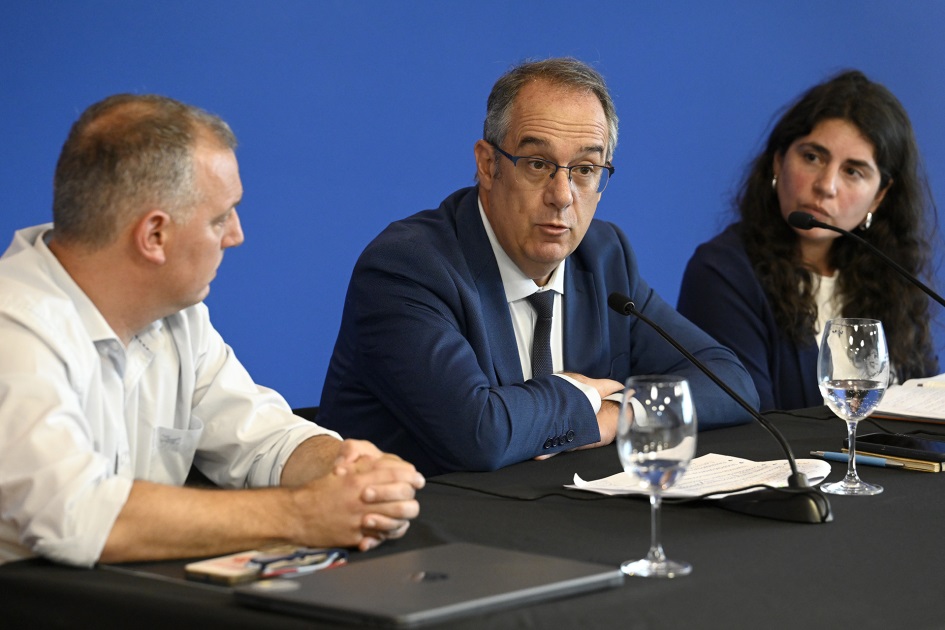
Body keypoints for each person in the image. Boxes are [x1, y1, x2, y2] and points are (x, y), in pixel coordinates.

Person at [0, 94, 424, 567]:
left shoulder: (178, 317)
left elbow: (262, 437)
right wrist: (303, 515)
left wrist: (348, 469)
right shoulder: (13, 331)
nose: (236, 235)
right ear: (154, 235)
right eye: (221, 218)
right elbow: (76, 514)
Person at [317, 58, 758, 476]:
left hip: (558, 516)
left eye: (585, 169)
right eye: (537, 164)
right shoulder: (407, 269)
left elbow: (730, 382)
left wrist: (619, 413)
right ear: (488, 165)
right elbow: (479, 435)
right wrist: (583, 397)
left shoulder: (604, 256)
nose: (562, 195)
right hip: (422, 522)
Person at [678, 70, 940, 411]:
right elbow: (753, 425)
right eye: (812, 157)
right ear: (778, 161)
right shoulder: (723, 272)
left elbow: (926, 411)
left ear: (879, 196)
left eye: (853, 171)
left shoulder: (892, 278)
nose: (826, 185)